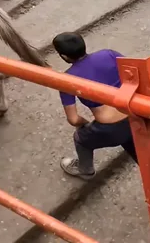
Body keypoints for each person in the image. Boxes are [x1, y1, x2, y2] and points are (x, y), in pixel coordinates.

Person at [53, 32, 134, 179]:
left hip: (111, 129)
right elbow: (134, 72)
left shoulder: (67, 79)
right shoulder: (108, 54)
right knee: (133, 144)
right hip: (136, 114)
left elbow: (73, 119)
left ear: (64, 56)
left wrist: (85, 124)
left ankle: (86, 170)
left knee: (80, 138)